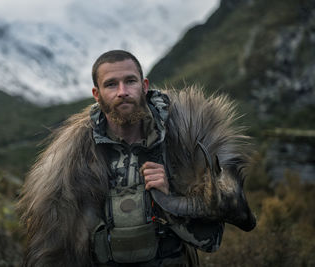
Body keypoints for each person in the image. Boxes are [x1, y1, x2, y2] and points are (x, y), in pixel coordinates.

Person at [18, 50, 256, 267]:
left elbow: (211, 242)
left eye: (130, 81)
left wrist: (170, 197)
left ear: (144, 85)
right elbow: (54, 249)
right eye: (111, 84)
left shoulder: (182, 145)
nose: (122, 92)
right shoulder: (73, 161)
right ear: (96, 94)